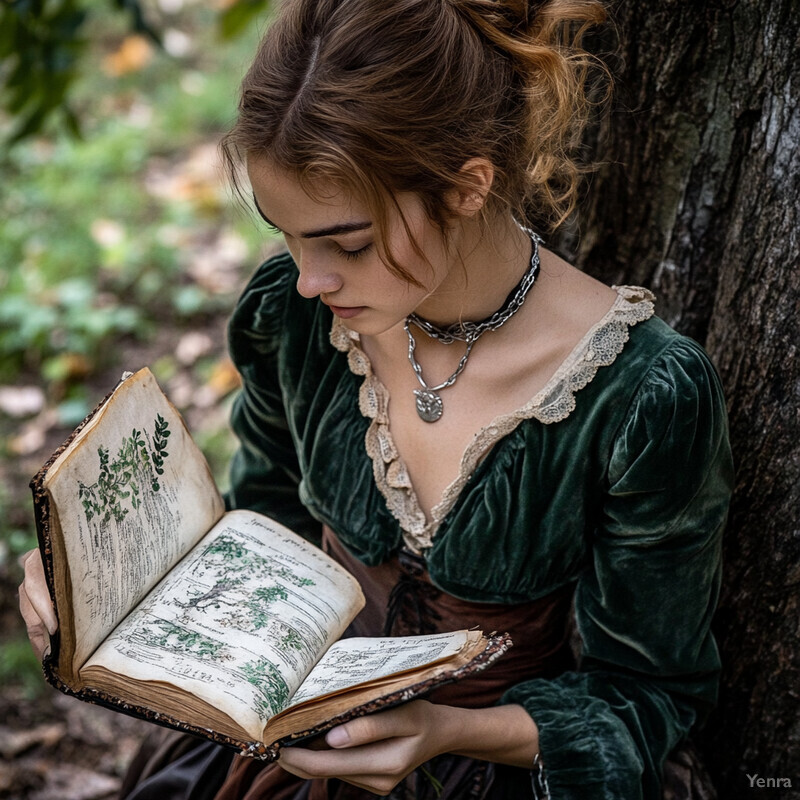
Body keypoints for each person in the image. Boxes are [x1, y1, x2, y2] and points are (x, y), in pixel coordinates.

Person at [19, 0, 734, 798]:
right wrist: (98, 577)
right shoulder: (294, 319)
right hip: (287, 759)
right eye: (285, 235)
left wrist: (446, 731)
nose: (309, 279)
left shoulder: (642, 396)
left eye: (347, 243)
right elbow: (260, 525)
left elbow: (649, 693)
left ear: (468, 186)